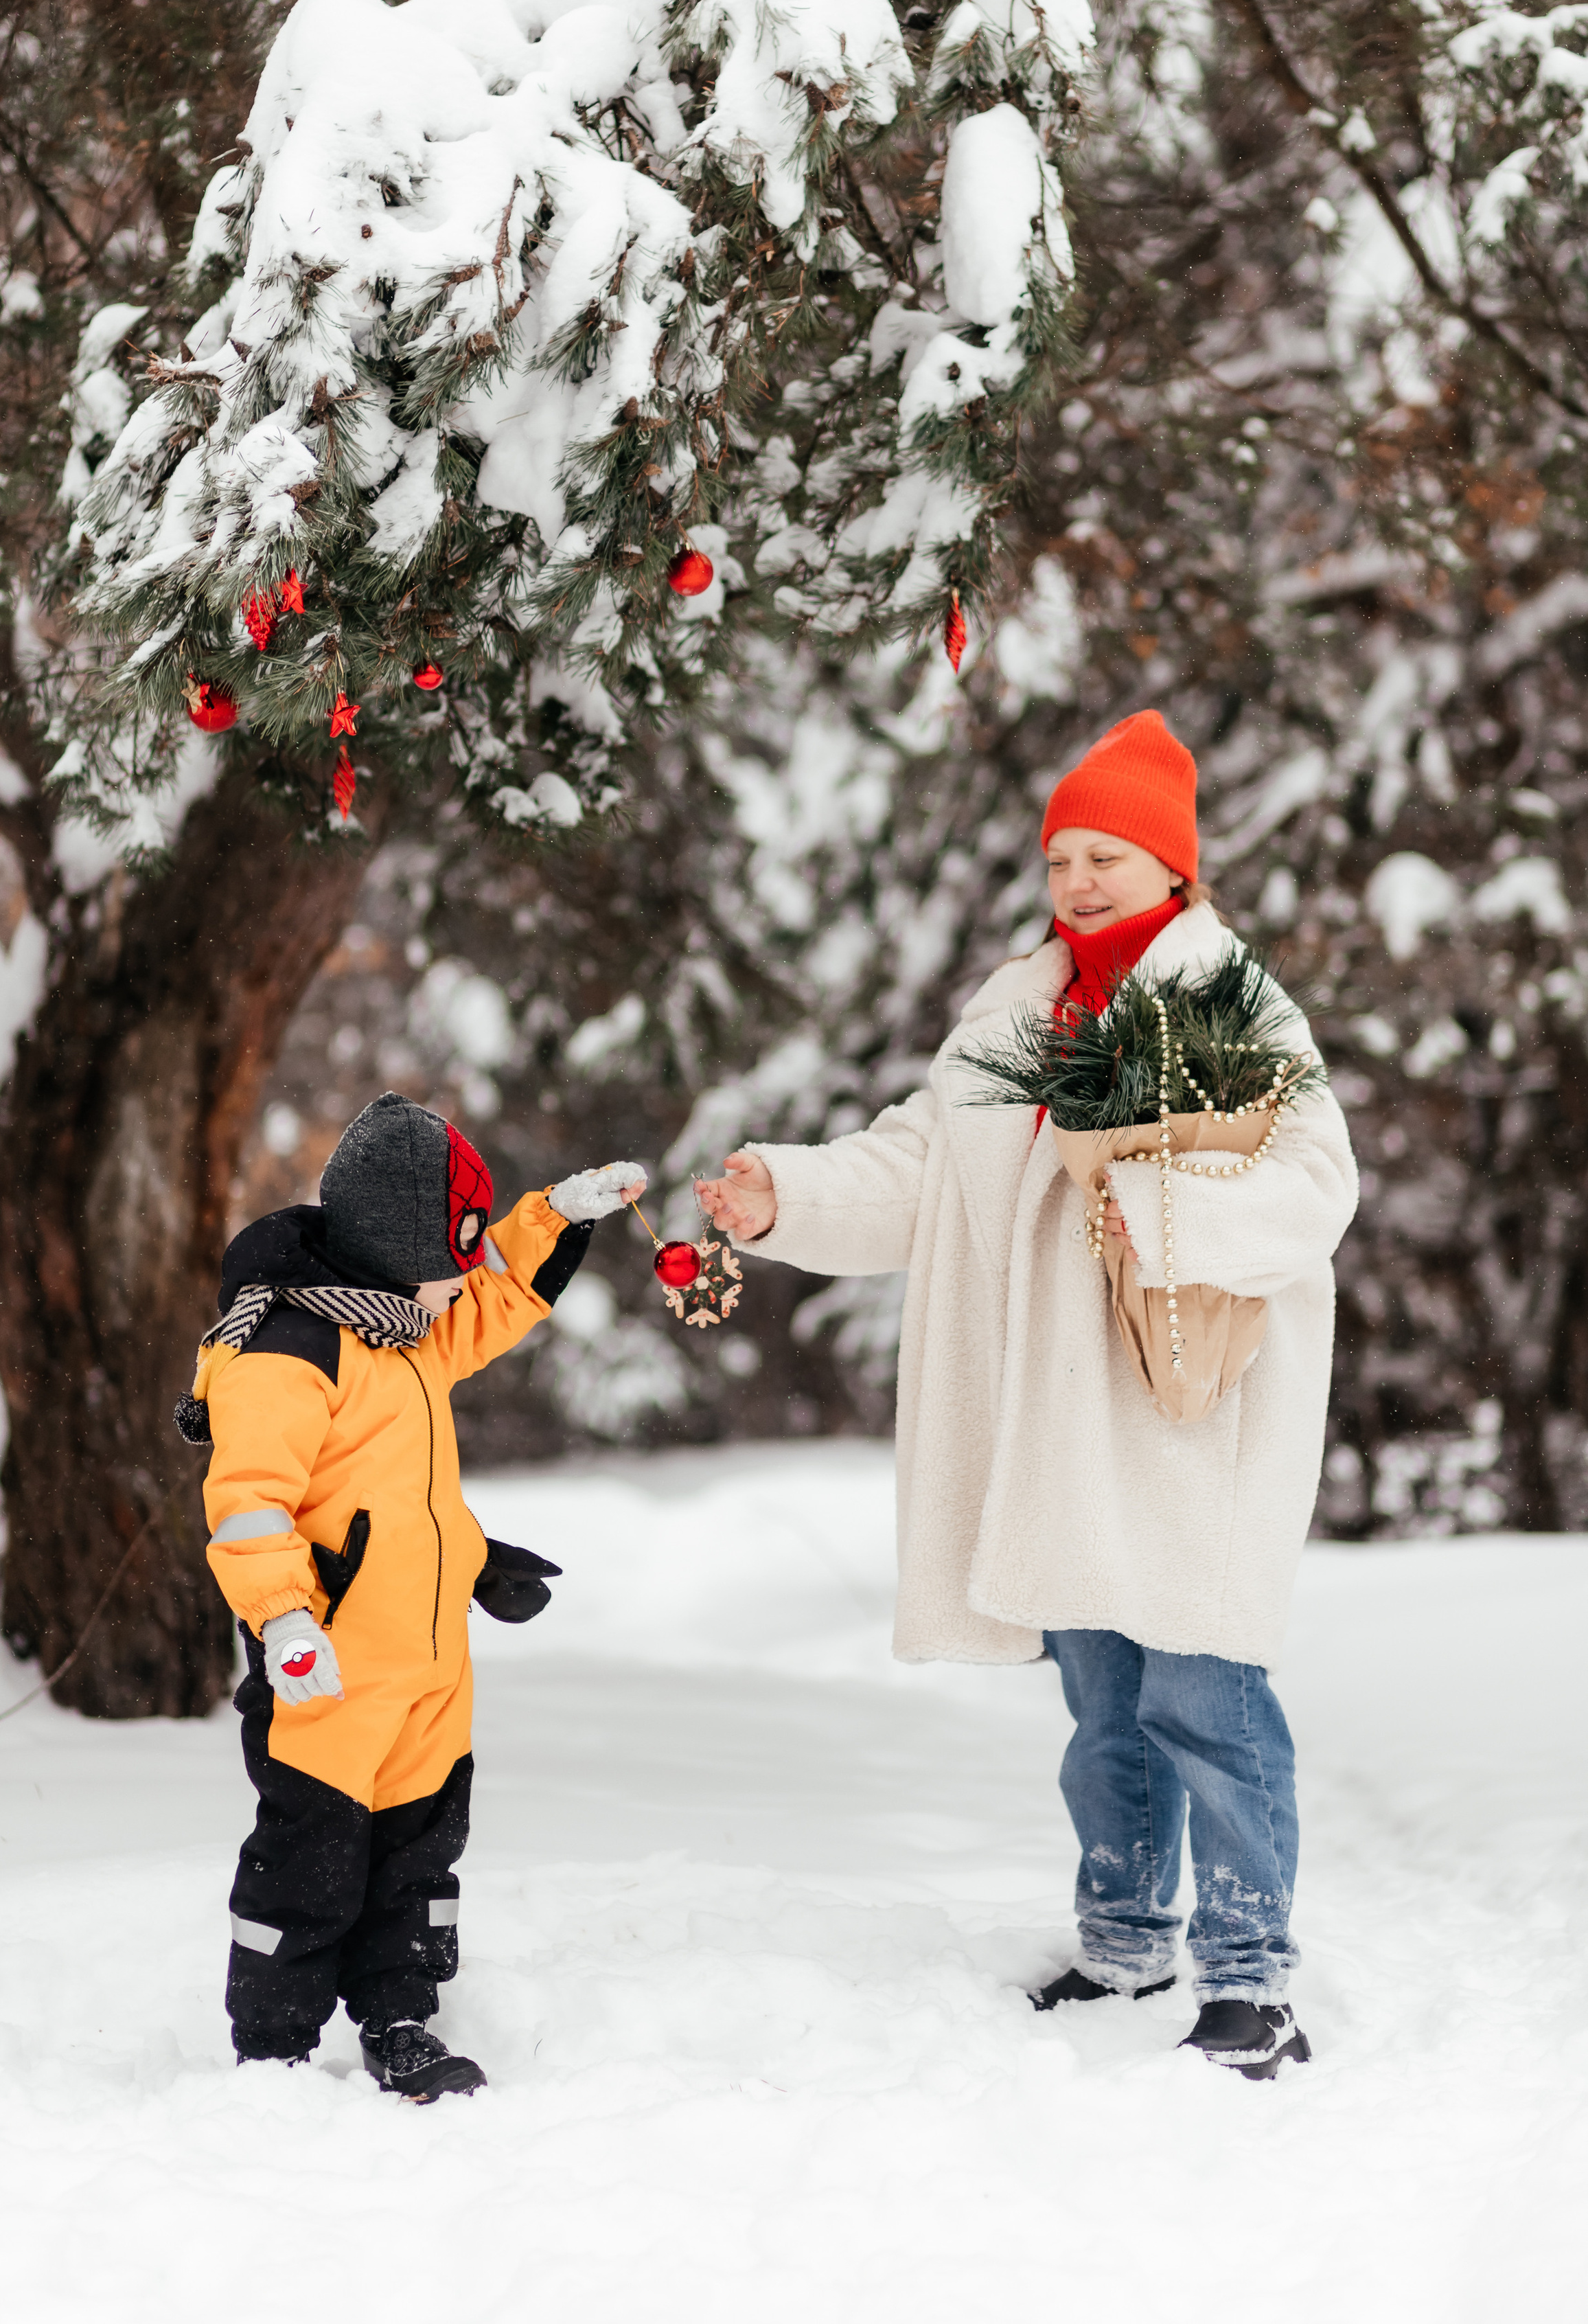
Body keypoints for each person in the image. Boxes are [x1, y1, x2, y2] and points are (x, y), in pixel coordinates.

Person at [695, 711, 1358, 2080]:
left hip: (1187, 1423)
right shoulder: (1010, 1012)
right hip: (1057, 1431)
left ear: (1170, 869)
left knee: (1201, 1701)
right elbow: (919, 1173)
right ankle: (1121, 1943)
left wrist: (1157, 1207)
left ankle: (1249, 1976)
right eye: (1061, 857)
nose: (1078, 881)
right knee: (1102, 1711)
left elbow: (1311, 1189)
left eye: (1106, 855)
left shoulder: (1229, 1004)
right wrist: (785, 1194)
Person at [189, 1091, 645, 2101]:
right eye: (456, 1257)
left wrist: (555, 1218)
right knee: (309, 1865)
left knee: (415, 1863)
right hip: (329, 1678)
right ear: (398, 1248)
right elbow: (249, 1507)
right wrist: (285, 1621)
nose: (465, 1283)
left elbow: (409, 1477)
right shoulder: (290, 1352)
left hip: (428, 1676)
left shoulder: (404, 1328)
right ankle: (274, 2052)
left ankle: (400, 2017)